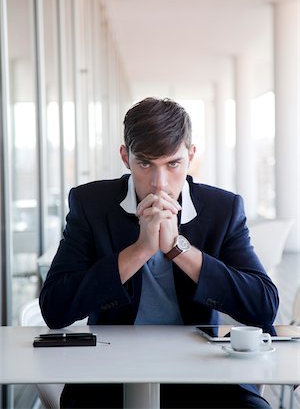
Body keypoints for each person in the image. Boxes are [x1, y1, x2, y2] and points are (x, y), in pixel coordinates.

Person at [40, 97, 279, 409]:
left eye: (173, 164)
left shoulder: (222, 209)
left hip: (204, 371)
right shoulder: (91, 205)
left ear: (191, 155)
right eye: (145, 164)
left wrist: (178, 249)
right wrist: (140, 250)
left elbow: (263, 306)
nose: (159, 183)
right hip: (109, 370)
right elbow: (56, 309)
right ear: (125, 157)